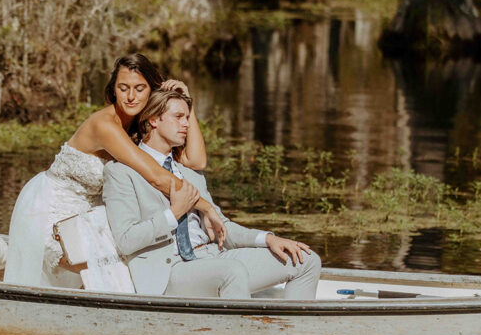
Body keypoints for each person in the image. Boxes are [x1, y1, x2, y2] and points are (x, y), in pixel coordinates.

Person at [3, 53, 226, 288]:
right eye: (123, 88)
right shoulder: (105, 126)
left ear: (152, 88)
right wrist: (206, 206)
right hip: (51, 210)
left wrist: (186, 103)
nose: (131, 97)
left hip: (94, 214)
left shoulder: (143, 124)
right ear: (114, 89)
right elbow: (157, 177)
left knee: (125, 264)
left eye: (140, 89)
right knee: (112, 270)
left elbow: (196, 161)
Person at [102, 86, 321, 299]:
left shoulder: (189, 173)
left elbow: (222, 228)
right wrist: (173, 214)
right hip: (169, 271)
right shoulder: (121, 172)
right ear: (153, 119)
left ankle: (291, 334)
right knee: (231, 271)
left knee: (305, 260)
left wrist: (269, 238)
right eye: (179, 117)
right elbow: (126, 240)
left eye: (187, 117)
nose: (186, 124)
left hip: (212, 256)